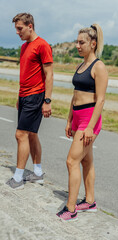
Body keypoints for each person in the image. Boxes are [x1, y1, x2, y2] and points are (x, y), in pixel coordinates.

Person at [56, 24, 108, 221]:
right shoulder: (81, 65)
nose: (77, 45)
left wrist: (89, 127)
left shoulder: (99, 67)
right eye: (77, 42)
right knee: (86, 160)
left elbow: (100, 100)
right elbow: (75, 95)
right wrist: (69, 120)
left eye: (82, 42)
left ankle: (71, 208)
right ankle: (90, 201)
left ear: (93, 44)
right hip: (77, 116)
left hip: (89, 118)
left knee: (71, 161)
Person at [6, 13, 53, 189]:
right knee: (31, 134)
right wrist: (20, 96)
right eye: (16, 29)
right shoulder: (25, 47)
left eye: (20, 29)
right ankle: (38, 173)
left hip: (36, 96)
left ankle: (18, 178)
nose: (18, 33)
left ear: (30, 26)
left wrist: (47, 100)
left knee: (20, 135)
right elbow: (25, 74)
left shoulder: (42, 45)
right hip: (25, 96)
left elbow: (49, 75)